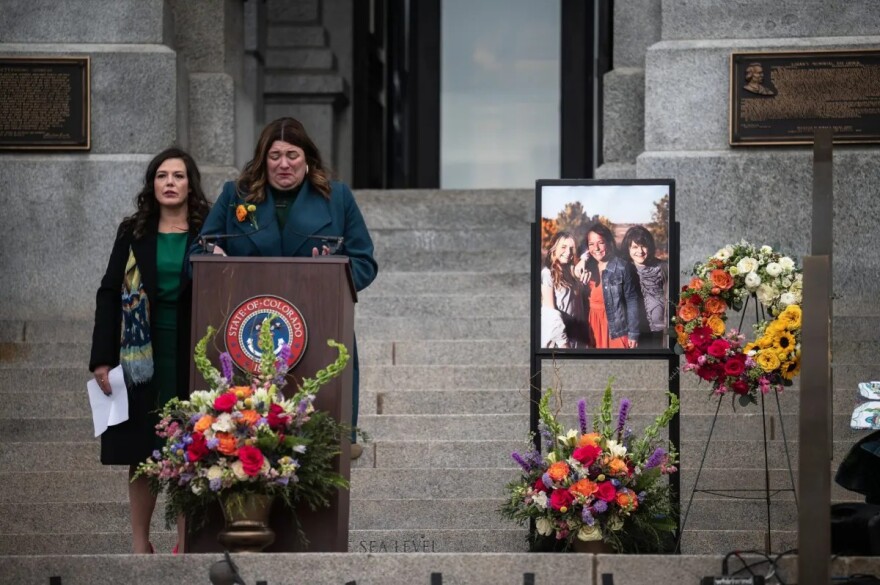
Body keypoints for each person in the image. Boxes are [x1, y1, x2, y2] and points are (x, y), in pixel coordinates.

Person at [193, 117, 378, 459]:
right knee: (248, 441)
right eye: (275, 155)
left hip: (318, 336)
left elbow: (364, 264)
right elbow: (198, 254)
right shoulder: (235, 196)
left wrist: (332, 270)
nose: (283, 164)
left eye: (292, 154)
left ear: (307, 157)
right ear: (263, 159)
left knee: (317, 445)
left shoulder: (336, 198)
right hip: (247, 336)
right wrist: (215, 258)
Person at [89, 147, 211, 554]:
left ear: (190, 184)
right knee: (143, 452)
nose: (170, 183)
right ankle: (141, 544)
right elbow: (109, 294)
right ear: (152, 185)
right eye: (162, 176)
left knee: (192, 448)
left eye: (178, 175)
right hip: (141, 356)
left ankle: (184, 540)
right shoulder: (133, 232)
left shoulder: (210, 232)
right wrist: (102, 359)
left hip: (194, 353)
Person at [575, 222, 641, 349]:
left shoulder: (622, 267)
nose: (597, 248)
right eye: (592, 244)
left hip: (616, 327)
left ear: (609, 242)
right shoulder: (586, 267)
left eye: (600, 242)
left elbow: (632, 301)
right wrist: (582, 260)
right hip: (592, 326)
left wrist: (633, 333)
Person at [621, 225, 668, 349]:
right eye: (635, 247)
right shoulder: (624, 269)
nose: (640, 251)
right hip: (635, 332)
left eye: (643, 246)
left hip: (661, 331)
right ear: (628, 249)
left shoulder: (663, 267)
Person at [540, 231, 588, 348]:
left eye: (572, 248)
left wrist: (583, 260)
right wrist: (564, 344)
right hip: (562, 340)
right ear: (554, 248)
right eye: (563, 247)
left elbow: (588, 246)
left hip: (578, 337)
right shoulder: (547, 273)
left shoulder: (572, 270)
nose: (568, 252)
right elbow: (550, 315)